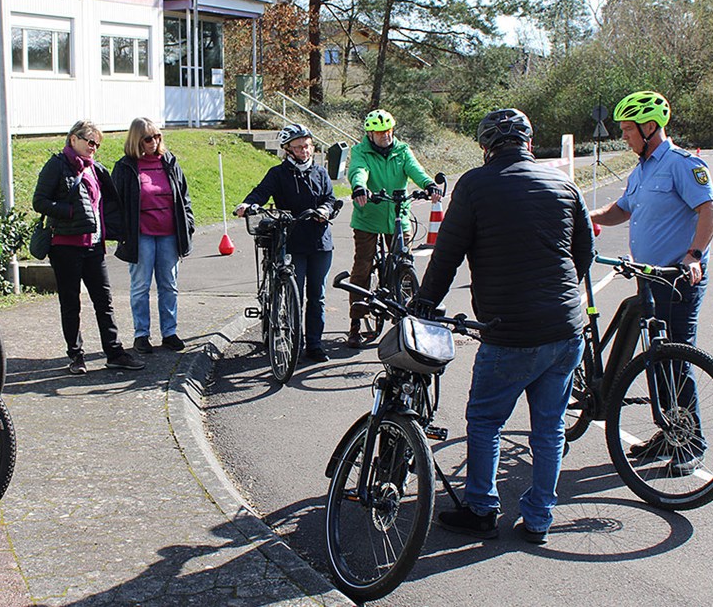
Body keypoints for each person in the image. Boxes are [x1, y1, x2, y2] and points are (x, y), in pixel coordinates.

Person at [414, 108, 593, 545]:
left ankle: (481, 508)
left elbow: (447, 256)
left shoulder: (475, 184)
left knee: (486, 419)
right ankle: (539, 519)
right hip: (565, 328)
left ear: (486, 146)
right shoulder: (562, 182)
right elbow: (585, 251)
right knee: (549, 427)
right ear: (529, 143)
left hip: (509, 330)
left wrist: (421, 307)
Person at [589, 90, 713, 474]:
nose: (624, 137)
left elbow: (710, 210)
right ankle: (668, 432)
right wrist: (588, 216)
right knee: (655, 362)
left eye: (629, 130)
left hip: (678, 279)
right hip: (648, 281)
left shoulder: (682, 165)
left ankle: (691, 443)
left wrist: (693, 255)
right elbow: (621, 210)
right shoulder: (642, 169)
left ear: (650, 127)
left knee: (676, 360)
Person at [32, 120, 144, 374]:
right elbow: (39, 201)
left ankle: (114, 352)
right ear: (73, 139)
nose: (94, 147)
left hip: (94, 245)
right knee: (71, 303)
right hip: (65, 245)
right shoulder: (57, 165)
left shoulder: (96, 169)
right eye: (90, 141)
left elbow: (105, 204)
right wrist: (68, 211)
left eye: (97, 143)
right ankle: (75, 356)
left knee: (104, 301)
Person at [235, 123, 337, 362]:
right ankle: (294, 343)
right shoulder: (278, 173)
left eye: (308, 146)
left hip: (320, 242)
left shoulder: (320, 173)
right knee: (294, 295)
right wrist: (247, 204)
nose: (305, 151)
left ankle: (314, 345)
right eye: (299, 147)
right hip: (291, 241)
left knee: (317, 296)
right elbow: (260, 192)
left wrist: (325, 209)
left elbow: (331, 198)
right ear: (287, 150)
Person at [345, 108, 442, 348]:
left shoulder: (402, 150)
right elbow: (358, 171)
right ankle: (356, 323)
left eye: (388, 131)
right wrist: (359, 187)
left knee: (404, 262)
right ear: (370, 134)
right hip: (369, 215)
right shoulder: (361, 151)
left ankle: (408, 314)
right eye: (379, 133)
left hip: (399, 213)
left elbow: (415, 170)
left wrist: (429, 184)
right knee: (363, 266)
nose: (385, 136)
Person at [110, 118, 195, 355]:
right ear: (137, 140)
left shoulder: (169, 162)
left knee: (169, 285)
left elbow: (184, 196)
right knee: (140, 286)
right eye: (148, 138)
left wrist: (188, 224)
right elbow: (115, 203)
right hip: (141, 236)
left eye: (157, 136)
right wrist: (121, 232)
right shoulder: (126, 166)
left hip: (169, 234)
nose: (154, 142)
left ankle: (169, 332)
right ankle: (141, 335)